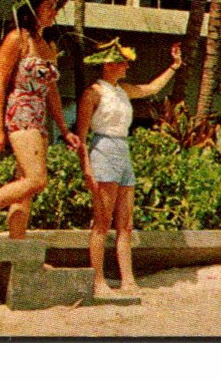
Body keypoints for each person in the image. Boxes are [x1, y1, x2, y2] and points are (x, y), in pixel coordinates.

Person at [0, 0, 82, 239]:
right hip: (21, 111)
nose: (54, 12)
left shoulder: (48, 46)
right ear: (32, 8)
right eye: (49, 6)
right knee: (37, 180)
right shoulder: (17, 39)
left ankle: (18, 248)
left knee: (24, 186)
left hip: (39, 118)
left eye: (56, 7)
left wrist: (63, 128)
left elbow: (52, 91)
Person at [76, 38, 182, 299]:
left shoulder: (122, 90)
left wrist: (174, 66)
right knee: (102, 222)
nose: (126, 66)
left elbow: (149, 89)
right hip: (103, 150)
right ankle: (98, 280)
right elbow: (80, 134)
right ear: (109, 64)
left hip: (123, 150)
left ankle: (128, 279)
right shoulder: (93, 92)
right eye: (122, 62)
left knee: (126, 224)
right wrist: (87, 167)